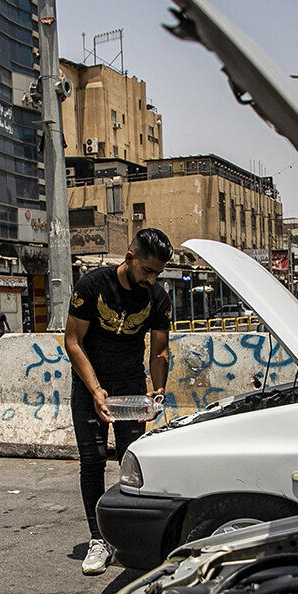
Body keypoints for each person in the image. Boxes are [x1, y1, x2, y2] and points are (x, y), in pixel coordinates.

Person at [64, 228, 173, 575]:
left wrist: (157, 389)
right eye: (147, 270)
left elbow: (159, 350)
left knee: (133, 463)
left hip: (130, 388)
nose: (152, 278)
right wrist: (95, 390)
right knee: (93, 461)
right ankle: (98, 539)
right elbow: (72, 342)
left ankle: (129, 537)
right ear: (130, 259)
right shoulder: (91, 285)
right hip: (90, 386)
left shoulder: (157, 297)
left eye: (158, 273)